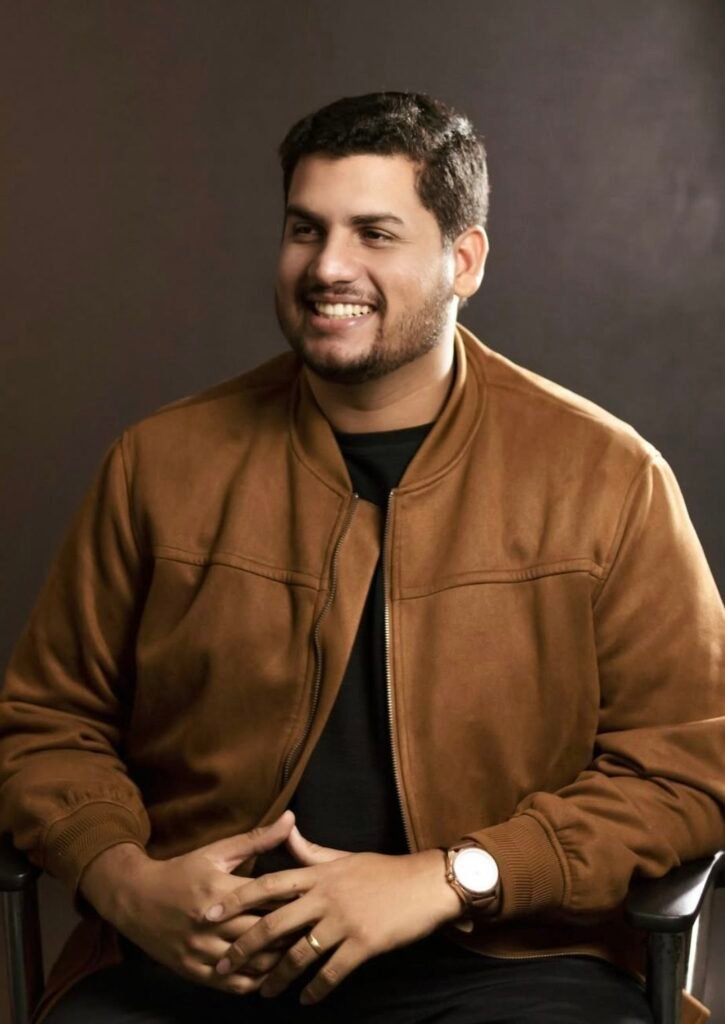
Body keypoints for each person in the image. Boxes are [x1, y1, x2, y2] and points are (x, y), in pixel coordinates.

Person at [0, 91, 722, 1024]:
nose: (327, 266)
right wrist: (125, 881)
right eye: (306, 229)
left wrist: (458, 875)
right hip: (203, 954)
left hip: (509, 962)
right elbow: (48, 723)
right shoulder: (158, 464)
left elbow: (688, 765)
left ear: (464, 260)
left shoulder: (608, 476)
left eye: (374, 233)